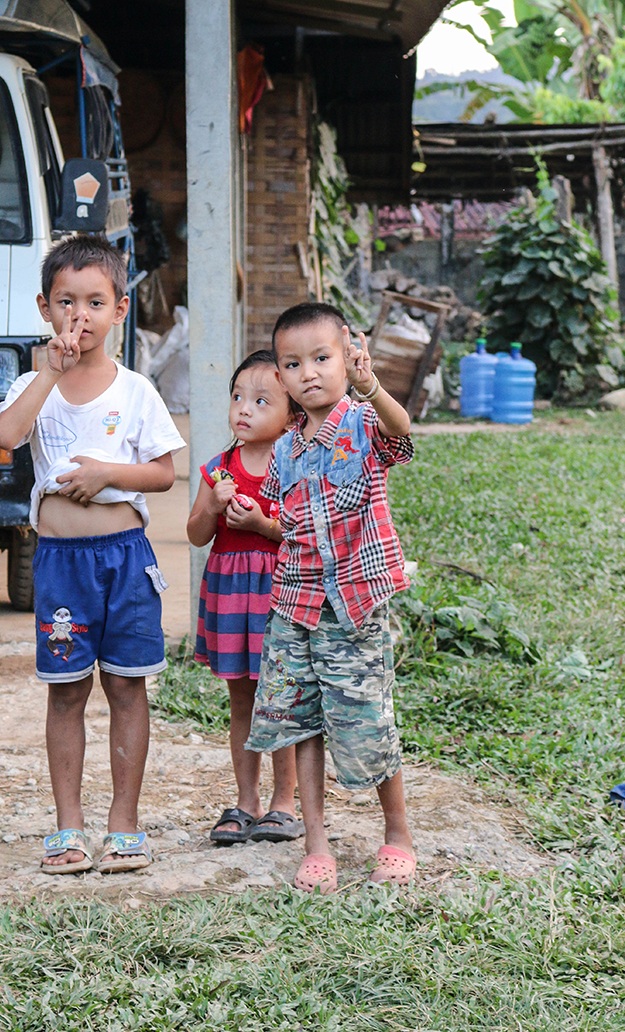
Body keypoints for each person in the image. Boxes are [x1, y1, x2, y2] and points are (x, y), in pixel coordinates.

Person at [0, 234, 185, 876]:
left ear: (120, 310)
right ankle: (67, 828)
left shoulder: (135, 390)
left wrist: (108, 472)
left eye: (95, 301)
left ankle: (123, 824)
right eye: (66, 301)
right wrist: (49, 370)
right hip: (62, 565)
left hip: (125, 559)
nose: (80, 315)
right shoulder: (33, 384)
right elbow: (5, 435)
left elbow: (163, 472)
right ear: (44, 307)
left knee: (128, 687)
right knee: (66, 691)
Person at [245, 302, 416, 894]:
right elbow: (286, 523)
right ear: (281, 376)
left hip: (355, 606)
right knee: (302, 724)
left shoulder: (363, 421)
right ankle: (317, 844)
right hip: (294, 610)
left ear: (348, 354)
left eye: (322, 358)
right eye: (293, 364)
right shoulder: (286, 448)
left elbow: (401, 432)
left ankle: (397, 834)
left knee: (369, 720)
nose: (309, 373)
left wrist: (373, 388)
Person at [187, 351, 302, 846]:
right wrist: (212, 505)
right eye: (238, 397)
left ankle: (285, 803)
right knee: (242, 700)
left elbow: (302, 532)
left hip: (279, 592)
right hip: (231, 593)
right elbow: (194, 534)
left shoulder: (297, 465)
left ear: (292, 414)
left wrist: (260, 524)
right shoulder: (218, 468)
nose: (244, 409)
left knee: (283, 700)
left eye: (261, 400)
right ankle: (247, 800)